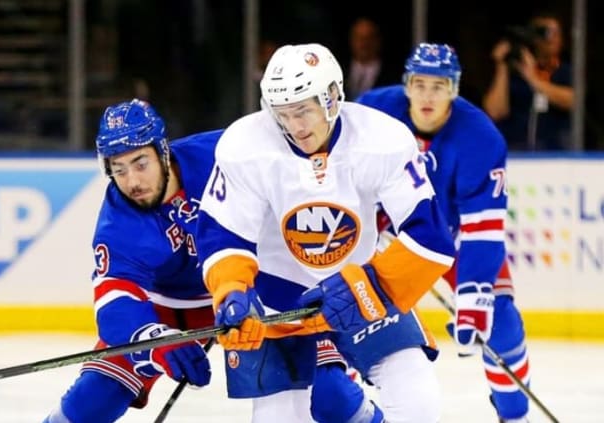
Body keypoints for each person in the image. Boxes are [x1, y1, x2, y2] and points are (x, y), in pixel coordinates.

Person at [43, 99, 380, 423]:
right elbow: (114, 302)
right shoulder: (119, 221)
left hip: (256, 291)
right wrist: (155, 340)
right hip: (171, 309)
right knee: (94, 398)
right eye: (119, 169)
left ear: (163, 151)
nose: (132, 181)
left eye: (140, 163)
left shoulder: (224, 153)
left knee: (331, 397)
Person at [196, 43, 456, 423]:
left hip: (363, 290)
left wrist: (368, 285)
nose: (296, 126)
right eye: (283, 114)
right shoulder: (244, 146)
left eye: (303, 110)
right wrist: (231, 291)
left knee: (416, 394)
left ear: (333, 97)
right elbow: (224, 235)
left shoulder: (381, 139)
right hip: (277, 297)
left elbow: (430, 237)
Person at [357, 43, 533, 423]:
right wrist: (368, 230)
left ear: (454, 88)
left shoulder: (480, 138)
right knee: (351, 314)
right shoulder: (370, 113)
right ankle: (347, 407)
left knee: (500, 320)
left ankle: (515, 416)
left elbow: (482, 227)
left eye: (438, 86)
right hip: (382, 236)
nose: (427, 96)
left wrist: (474, 292)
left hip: (448, 237)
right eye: (419, 84)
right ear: (406, 85)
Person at [482, 11, 573, 151]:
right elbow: (495, 112)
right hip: (518, 153)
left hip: (556, 154)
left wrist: (533, 79)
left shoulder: (565, 72)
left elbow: (572, 101)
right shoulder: (514, 72)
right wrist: (501, 66)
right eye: (546, 32)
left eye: (558, 33)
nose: (553, 38)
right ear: (534, 37)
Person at [344, 18, 399, 100]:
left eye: (369, 38)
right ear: (351, 40)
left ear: (378, 40)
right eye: (359, 38)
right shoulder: (338, 70)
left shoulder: (393, 77)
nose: (364, 43)